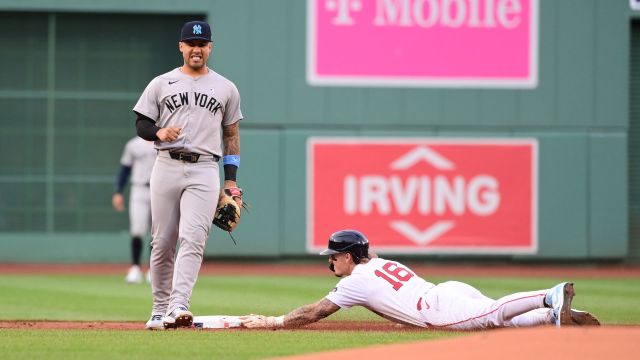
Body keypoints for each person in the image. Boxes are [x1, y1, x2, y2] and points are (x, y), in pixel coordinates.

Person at [241, 230, 601, 330]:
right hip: (446, 290)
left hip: (438, 308)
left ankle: (548, 296)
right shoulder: (378, 262)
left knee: (493, 314)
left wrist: (274, 321)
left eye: (334, 256)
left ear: (349, 257)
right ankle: (552, 317)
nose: (330, 261)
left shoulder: (354, 280)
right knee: (502, 322)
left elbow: (314, 312)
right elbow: (376, 266)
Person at [133, 20, 244, 330]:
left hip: (205, 167)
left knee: (193, 237)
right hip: (166, 164)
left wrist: (231, 179)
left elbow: (231, 135)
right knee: (163, 241)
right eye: (191, 44)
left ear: (209, 48)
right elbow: (141, 124)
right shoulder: (161, 83)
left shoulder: (226, 88)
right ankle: (158, 309)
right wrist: (159, 131)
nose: (196, 49)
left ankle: (179, 305)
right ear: (181, 46)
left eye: (202, 44)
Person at [112, 136, 157, 284]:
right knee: (137, 230)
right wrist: (118, 191)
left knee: (156, 232)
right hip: (139, 189)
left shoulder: (164, 142)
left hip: (159, 189)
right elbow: (125, 170)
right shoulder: (133, 144)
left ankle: (154, 270)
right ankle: (135, 268)